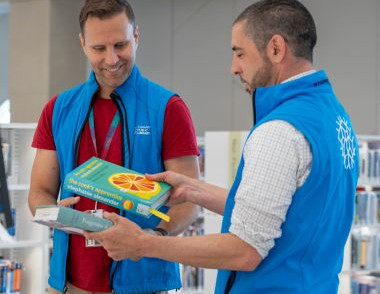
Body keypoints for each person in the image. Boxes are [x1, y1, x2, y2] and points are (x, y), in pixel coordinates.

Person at [85, 1, 359, 293]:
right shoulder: (333, 115)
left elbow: (244, 250)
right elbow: (280, 212)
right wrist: (193, 190)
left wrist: (144, 244)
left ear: (276, 49)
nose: (234, 68)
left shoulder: (279, 131)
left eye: (239, 53)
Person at [28, 0, 200, 293]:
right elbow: (39, 191)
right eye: (99, 48)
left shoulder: (167, 108)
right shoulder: (58, 109)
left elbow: (189, 201)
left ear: (136, 37)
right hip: (70, 284)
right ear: (83, 44)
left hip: (145, 282)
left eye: (120, 44)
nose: (111, 59)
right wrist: (55, 215)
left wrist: (149, 237)